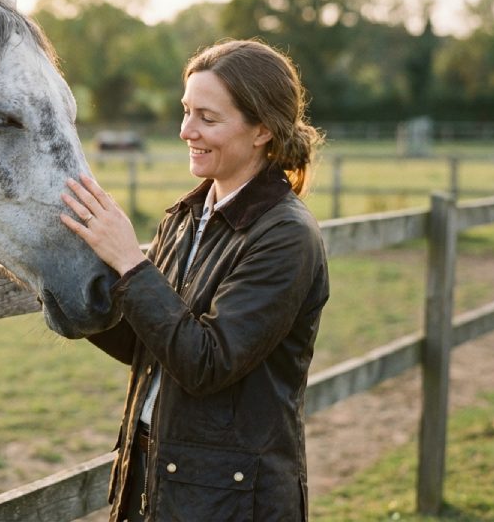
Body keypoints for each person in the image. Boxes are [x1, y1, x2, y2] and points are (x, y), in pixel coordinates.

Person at [60, 39, 329, 521]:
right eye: (186, 111)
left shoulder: (286, 235)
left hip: (228, 496)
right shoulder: (186, 216)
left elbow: (206, 362)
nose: (186, 131)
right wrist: (70, 285)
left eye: (208, 118)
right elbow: (149, 344)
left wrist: (131, 261)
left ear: (262, 129)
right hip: (153, 467)